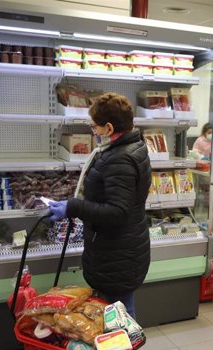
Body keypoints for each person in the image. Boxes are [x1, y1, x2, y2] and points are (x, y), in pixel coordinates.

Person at [48, 93, 151, 318]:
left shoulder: (120, 159)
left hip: (118, 253)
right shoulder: (133, 147)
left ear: (109, 127)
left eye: (95, 127)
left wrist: (73, 207)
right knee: (119, 310)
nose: (93, 131)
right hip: (122, 249)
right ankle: (121, 348)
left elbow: (118, 212)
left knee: (118, 314)